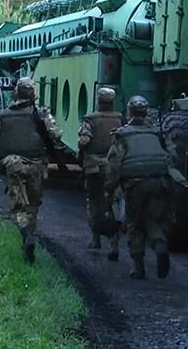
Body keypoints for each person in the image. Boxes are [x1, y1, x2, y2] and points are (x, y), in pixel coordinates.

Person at [0, 77, 63, 263]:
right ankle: (30, 240)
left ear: (16, 92)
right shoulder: (41, 114)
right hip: (37, 166)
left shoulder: (1, 115)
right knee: (33, 206)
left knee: (19, 207)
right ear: (33, 94)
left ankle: (27, 236)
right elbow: (57, 134)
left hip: (15, 166)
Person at [105, 95, 176, 280]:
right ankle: (160, 244)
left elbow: (114, 165)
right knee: (152, 220)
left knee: (134, 224)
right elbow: (172, 156)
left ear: (129, 112)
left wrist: (109, 188)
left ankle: (138, 268)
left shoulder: (122, 135)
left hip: (135, 185)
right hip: (159, 182)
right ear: (145, 113)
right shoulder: (157, 133)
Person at [78, 87, 125, 261]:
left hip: (94, 169)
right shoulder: (121, 119)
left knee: (94, 203)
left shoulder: (90, 119)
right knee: (113, 204)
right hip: (115, 167)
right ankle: (114, 244)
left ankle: (95, 238)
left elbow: (83, 141)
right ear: (112, 102)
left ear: (98, 101)